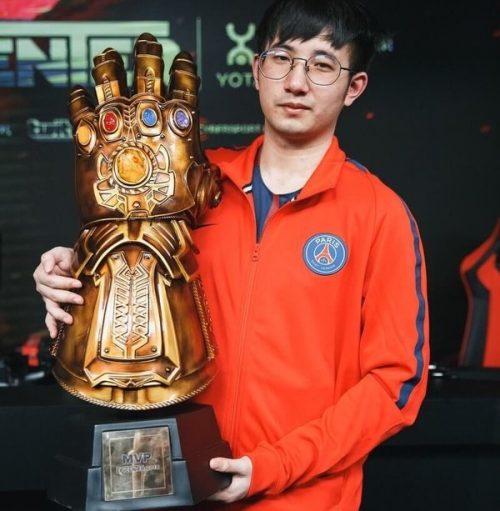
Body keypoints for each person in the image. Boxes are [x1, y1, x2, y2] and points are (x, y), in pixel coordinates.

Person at [33, 0, 429, 509]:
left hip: (304, 497)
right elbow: (131, 265)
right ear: (257, 69)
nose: (296, 82)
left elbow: (393, 384)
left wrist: (276, 465)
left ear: (354, 87)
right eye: (282, 58)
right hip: (180, 493)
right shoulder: (188, 188)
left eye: (322, 64)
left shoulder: (379, 214)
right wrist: (76, 271)